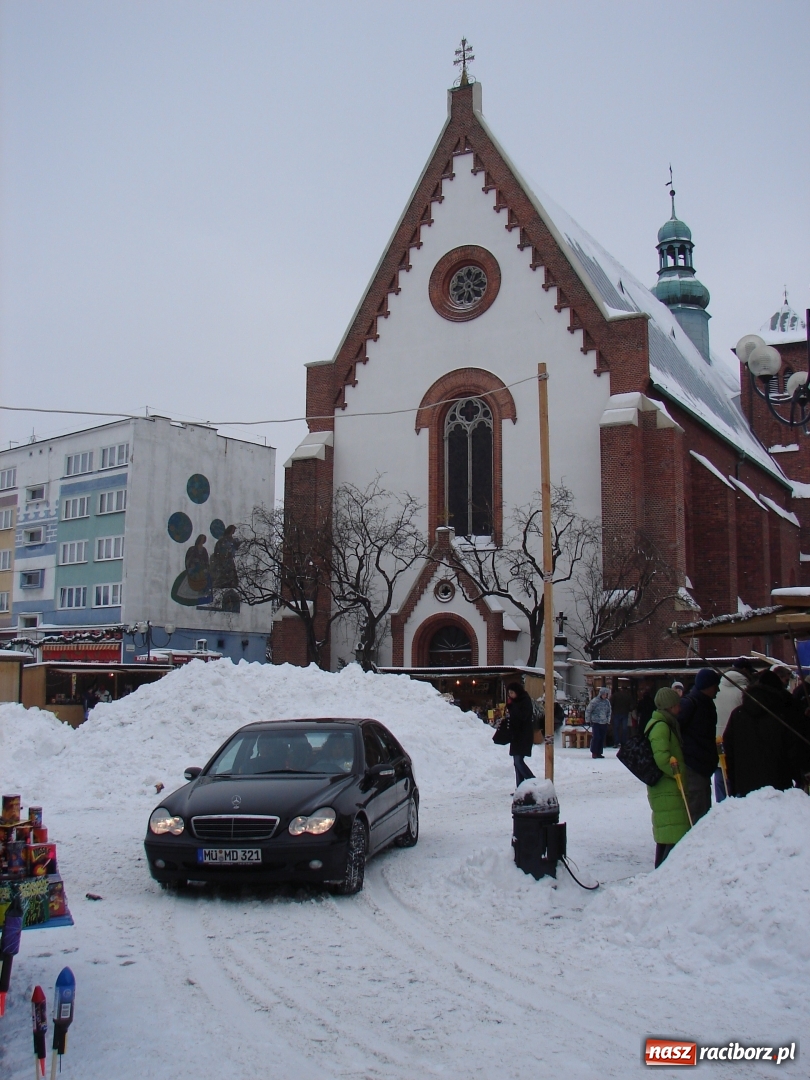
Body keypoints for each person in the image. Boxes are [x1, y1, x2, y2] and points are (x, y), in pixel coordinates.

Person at [724, 669, 806, 796]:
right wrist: (798, 776)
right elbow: (792, 750)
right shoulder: (780, 716)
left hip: (744, 783)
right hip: (778, 784)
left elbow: (729, 748)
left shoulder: (737, 715)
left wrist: (733, 780)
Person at [646, 687, 691, 868]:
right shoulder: (662, 726)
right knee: (672, 830)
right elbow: (662, 757)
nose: (680, 709)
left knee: (669, 831)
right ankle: (665, 870)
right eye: (677, 705)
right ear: (670, 707)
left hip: (668, 786)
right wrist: (677, 773)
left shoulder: (664, 723)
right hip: (667, 786)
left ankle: (663, 870)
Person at [676, 668, 720, 823]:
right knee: (697, 812)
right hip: (694, 765)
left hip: (702, 765)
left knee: (703, 809)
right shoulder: (691, 704)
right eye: (716, 686)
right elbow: (676, 729)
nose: (718, 690)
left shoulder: (705, 704)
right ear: (708, 686)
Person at [713, 658, 755, 802]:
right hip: (739, 743)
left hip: (718, 740)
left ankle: (723, 811)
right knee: (737, 780)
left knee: (720, 778)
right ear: (745, 671)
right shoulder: (745, 691)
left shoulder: (717, 688)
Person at [505, 682, 535, 787]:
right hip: (516, 736)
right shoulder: (514, 703)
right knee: (516, 763)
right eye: (509, 693)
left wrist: (512, 708)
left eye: (512, 692)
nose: (510, 695)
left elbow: (523, 717)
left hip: (523, 735)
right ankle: (521, 787)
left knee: (518, 761)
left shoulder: (524, 700)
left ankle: (533, 781)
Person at [585, 686, 611, 759]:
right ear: (601, 694)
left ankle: (599, 752)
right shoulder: (594, 701)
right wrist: (587, 720)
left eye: (606, 694)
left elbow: (609, 711)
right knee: (596, 737)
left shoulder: (607, 702)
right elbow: (588, 710)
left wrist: (608, 720)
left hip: (604, 722)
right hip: (596, 722)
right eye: (605, 694)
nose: (605, 696)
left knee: (602, 738)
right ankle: (594, 752)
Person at [611, 683, 634, 748]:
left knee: (616, 728)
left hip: (616, 713)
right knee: (624, 729)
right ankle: (623, 742)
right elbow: (632, 705)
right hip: (625, 713)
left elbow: (611, 703)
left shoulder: (615, 695)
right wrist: (629, 710)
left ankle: (616, 742)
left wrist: (612, 710)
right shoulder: (628, 696)